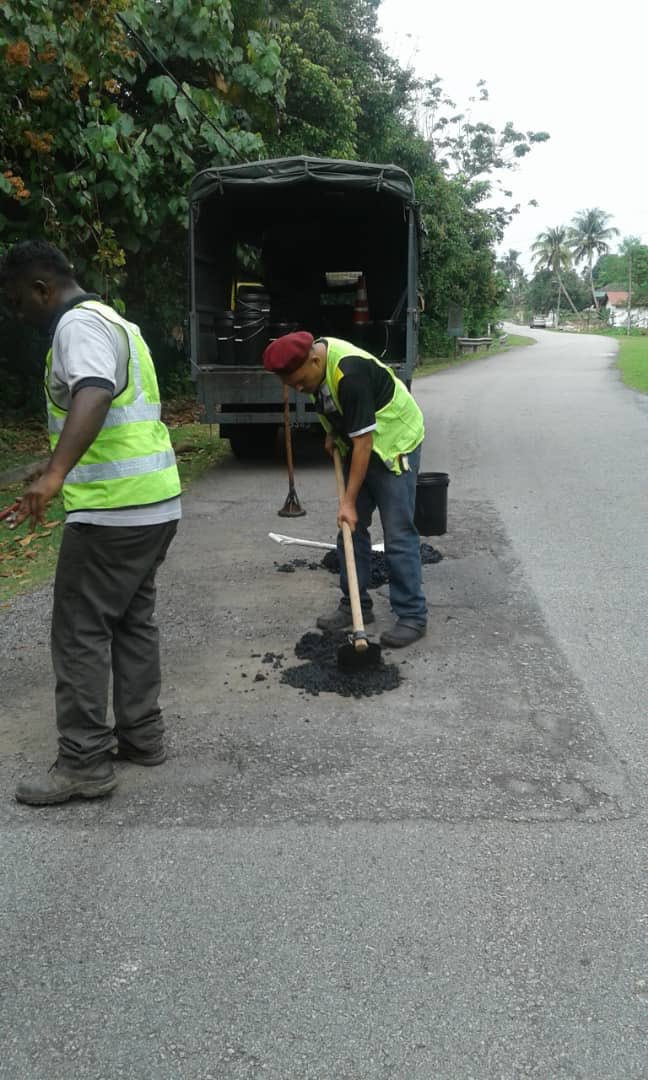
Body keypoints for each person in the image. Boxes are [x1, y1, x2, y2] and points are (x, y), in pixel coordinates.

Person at [0, 241, 182, 806]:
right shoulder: (114, 320)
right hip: (155, 503)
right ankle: (142, 736)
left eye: (15, 301)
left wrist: (55, 476)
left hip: (113, 513)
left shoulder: (76, 326)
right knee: (131, 621)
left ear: (40, 289)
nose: (16, 314)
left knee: (79, 632)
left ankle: (83, 764)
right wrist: (47, 465)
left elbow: (97, 393)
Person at [263, 331, 427, 647]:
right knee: (351, 529)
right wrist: (332, 433)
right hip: (362, 441)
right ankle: (355, 606)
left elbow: (363, 442)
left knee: (397, 531)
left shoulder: (348, 374)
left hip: (394, 441)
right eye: (291, 385)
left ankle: (412, 616)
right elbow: (331, 406)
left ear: (314, 359)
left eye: (299, 381)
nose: (298, 388)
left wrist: (349, 501)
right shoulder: (314, 368)